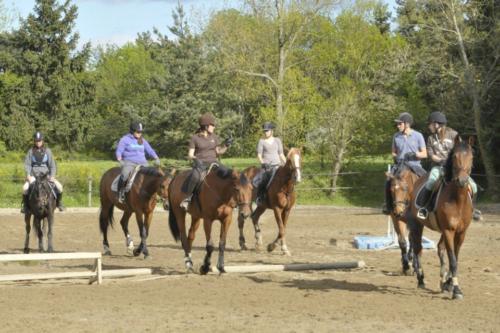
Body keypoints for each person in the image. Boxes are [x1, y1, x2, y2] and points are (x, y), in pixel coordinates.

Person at [416, 111, 482, 220]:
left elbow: (461, 150)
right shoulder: (431, 139)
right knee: (431, 180)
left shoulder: (453, 135)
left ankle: (473, 209)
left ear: (437, 124)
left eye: (430, 123)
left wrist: (454, 163)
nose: (429, 126)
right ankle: (424, 208)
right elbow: (432, 155)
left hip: (454, 168)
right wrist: (442, 160)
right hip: (439, 166)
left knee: (473, 186)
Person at [180, 113, 233, 210]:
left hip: (214, 163)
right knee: (195, 176)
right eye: (212, 125)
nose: (214, 126)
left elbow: (219, 152)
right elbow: (190, 154)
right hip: (201, 164)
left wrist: (226, 145)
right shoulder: (195, 138)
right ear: (206, 126)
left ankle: (232, 198)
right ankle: (187, 198)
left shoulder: (214, 137)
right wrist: (196, 160)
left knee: (230, 173)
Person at [382, 112, 427, 215]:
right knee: (388, 181)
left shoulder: (418, 136)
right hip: (400, 165)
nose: (398, 126)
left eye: (400, 124)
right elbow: (393, 152)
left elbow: (425, 154)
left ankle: (424, 207)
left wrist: (414, 154)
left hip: (415, 165)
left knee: (427, 181)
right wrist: (396, 157)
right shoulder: (396, 136)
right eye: (397, 124)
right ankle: (388, 206)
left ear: (407, 124)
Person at [116, 121, 160, 203]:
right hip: (130, 162)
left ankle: (155, 194)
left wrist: (156, 157)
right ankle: (120, 193)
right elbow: (119, 151)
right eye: (138, 132)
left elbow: (149, 150)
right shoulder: (124, 139)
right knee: (124, 174)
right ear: (132, 131)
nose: (140, 133)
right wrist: (119, 159)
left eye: (141, 132)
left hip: (143, 163)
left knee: (154, 174)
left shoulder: (142, 140)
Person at [21, 131, 65, 213]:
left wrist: (52, 175)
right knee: (25, 188)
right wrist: (28, 175)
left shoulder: (48, 151)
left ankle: (59, 203)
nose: (38, 142)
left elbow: (52, 165)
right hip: (34, 176)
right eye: (36, 141)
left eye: (39, 140)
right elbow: (27, 164)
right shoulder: (30, 152)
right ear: (34, 141)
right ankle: (25, 206)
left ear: (42, 141)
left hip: (46, 176)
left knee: (60, 187)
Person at [255, 122, 286, 205]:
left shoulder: (277, 140)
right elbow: (259, 155)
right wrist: (263, 163)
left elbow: (281, 154)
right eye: (264, 131)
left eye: (267, 130)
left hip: (277, 166)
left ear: (272, 131)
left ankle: (288, 196)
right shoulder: (261, 141)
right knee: (263, 181)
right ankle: (260, 197)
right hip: (267, 167)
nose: (265, 132)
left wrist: (286, 163)